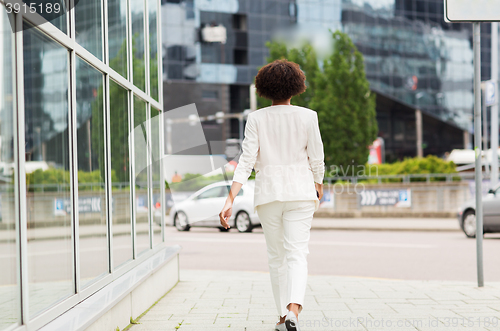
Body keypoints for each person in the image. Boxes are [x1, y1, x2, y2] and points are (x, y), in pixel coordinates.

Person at [219, 59, 325, 331]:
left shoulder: (256, 119)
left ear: (264, 88)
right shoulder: (308, 116)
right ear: (296, 86)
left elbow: (245, 161)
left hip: (268, 195)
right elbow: (317, 157)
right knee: (297, 254)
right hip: (301, 192)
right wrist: (319, 183)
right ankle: (293, 311)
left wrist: (231, 198)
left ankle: (282, 315)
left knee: (276, 257)